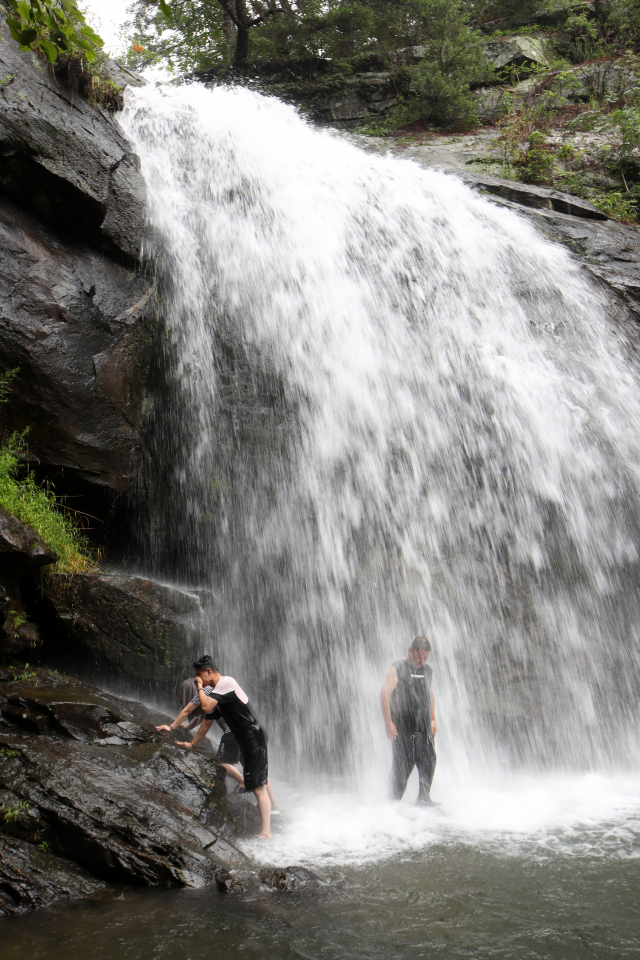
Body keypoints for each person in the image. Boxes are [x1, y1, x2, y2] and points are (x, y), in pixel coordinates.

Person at [160, 656, 272, 838]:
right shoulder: (216, 693)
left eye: (199, 676)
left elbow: (204, 707)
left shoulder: (227, 682)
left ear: (208, 672)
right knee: (257, 783)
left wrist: (198, 686)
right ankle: (265, 827)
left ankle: (266, 833)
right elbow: (206, 721)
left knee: (259, 787)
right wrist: (188, 740)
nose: (199, 680)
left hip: (253, 736)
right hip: (244, 739)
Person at [380, 636, 437, 806]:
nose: (421, 661)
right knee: (401, 768)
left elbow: (430, 694)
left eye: (425, 658)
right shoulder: (397, 668)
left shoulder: (428, 670)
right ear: (410, 650)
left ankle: (424, 799)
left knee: (429, 760)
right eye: (419, 657)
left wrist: (433, 719)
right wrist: (388, 723)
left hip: (423, 727)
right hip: (403, 729)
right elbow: (384, 694)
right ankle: (391, 804)